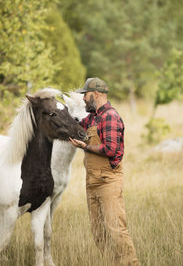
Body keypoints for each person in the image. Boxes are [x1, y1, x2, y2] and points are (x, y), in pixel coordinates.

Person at [69, 78, 140, 266]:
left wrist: (85, 146)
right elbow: (76, 127)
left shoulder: (110, 116)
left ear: (96, 94)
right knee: (98, 232)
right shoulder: (91, 118)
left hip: (108, 181)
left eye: (86, 94)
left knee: (116, 229)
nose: (83, 98)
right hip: (91, 182)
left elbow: (110, 149)